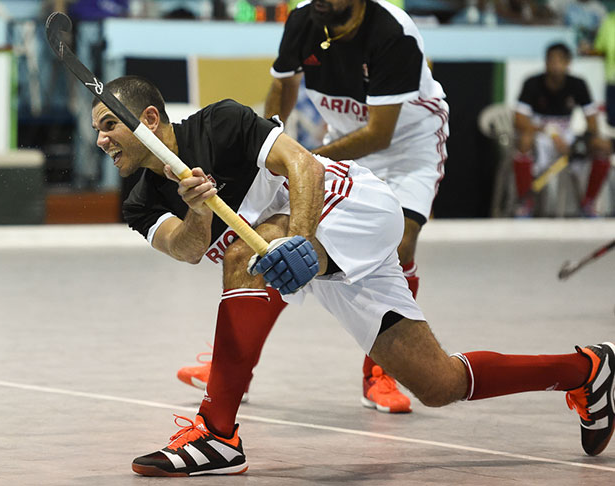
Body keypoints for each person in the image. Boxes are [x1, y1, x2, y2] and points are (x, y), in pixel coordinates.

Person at [91, 75, 614, 477]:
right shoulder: (141, 202)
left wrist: (298, 240)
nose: (101, 139)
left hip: (353, 207)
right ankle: (587, 369)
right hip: (319, 264)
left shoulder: (219, 123)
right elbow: (184, 250)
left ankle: (217, 434)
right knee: (436, 382)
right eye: (96, 130)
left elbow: (306, 168)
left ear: (150, 119)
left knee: (252, 255)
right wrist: (201, 211)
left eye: (109, 125)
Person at [178, 0, 449, 413]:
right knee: (278, 242)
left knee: (402, 245)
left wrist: (304, 159)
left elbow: (379, 134)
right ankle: (235, 366)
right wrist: (268, 143)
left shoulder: (393, 33)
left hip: (409, 148)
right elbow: (283, 86)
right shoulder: (305, 19)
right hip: (344, 138)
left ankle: (379, 375)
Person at [512, 42, 611, 217]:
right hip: (540, 135)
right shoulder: (532, 83)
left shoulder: (578, 85)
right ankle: (525, 203)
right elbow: (519, 121)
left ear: (568, 64)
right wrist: (551, 132)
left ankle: (589, 202)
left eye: (561, 61)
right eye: (552, 61)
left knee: (602, 146)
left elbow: (593, 124)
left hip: (568, 138)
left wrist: (579, 143)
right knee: (524, 140)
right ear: (546, 63)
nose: (556, 66)